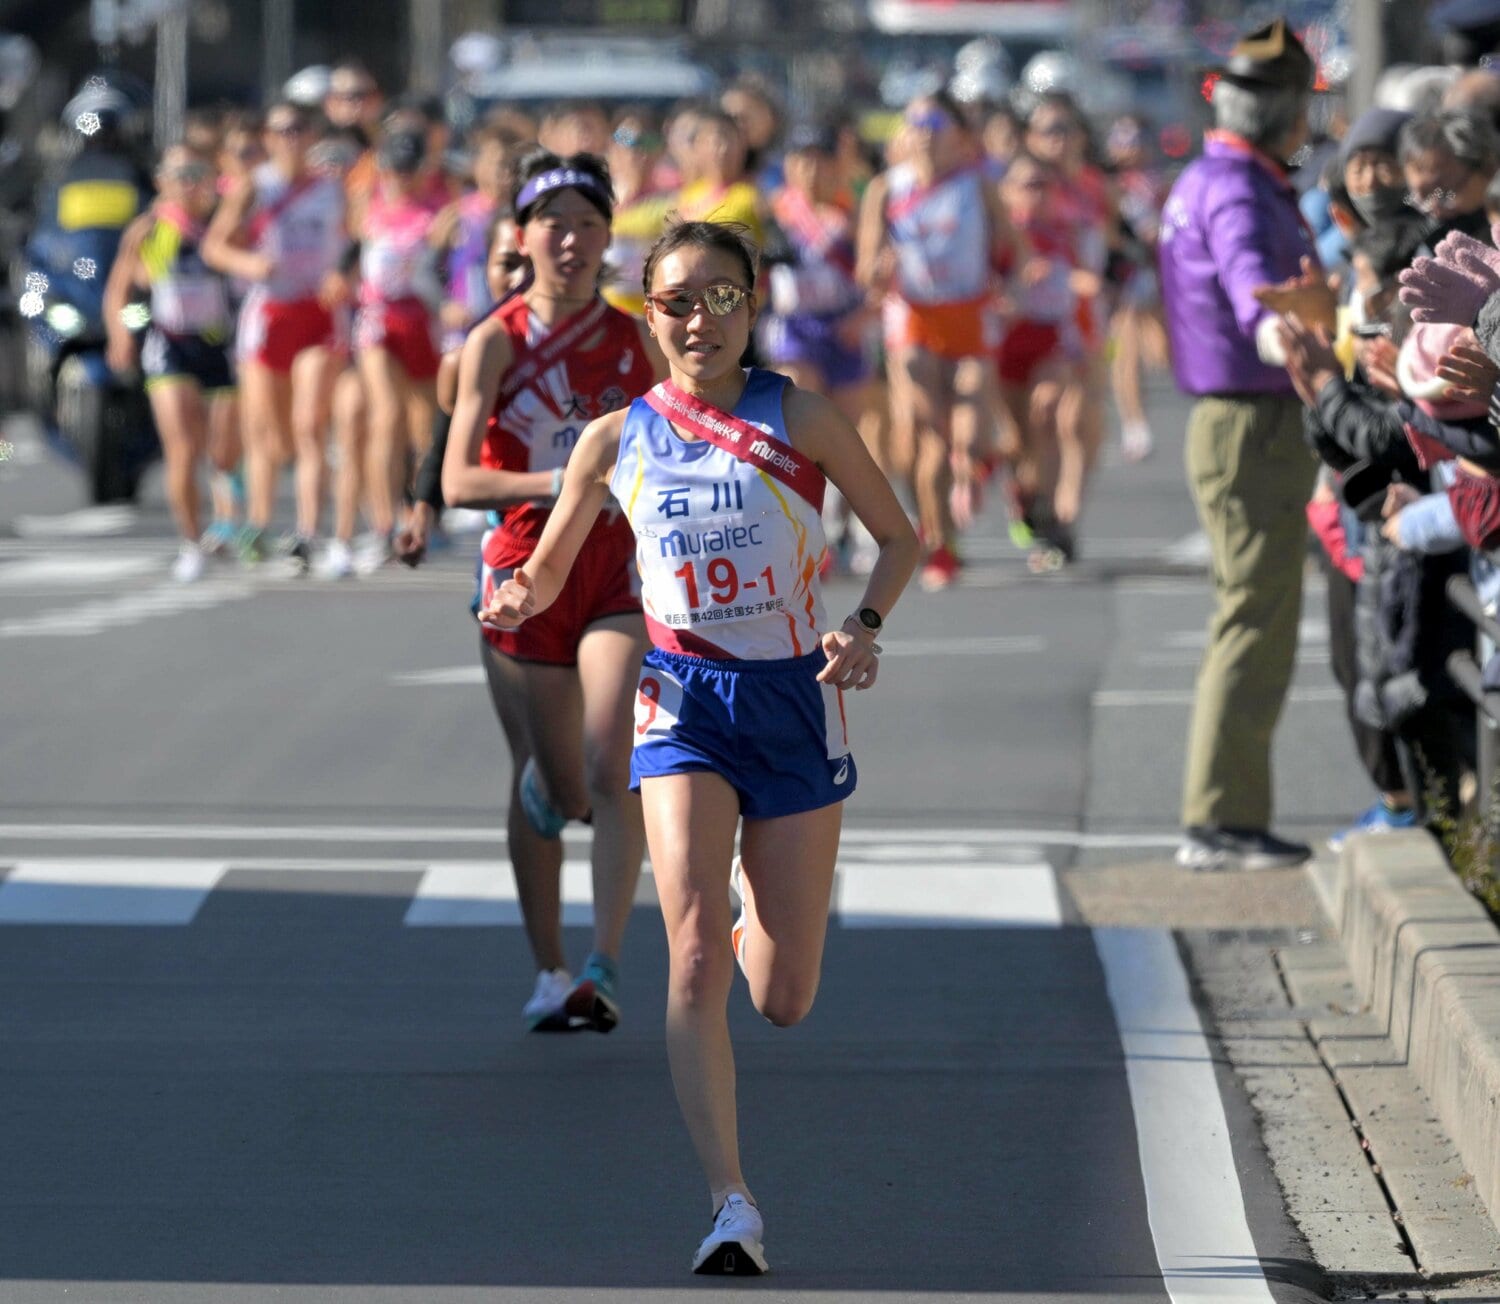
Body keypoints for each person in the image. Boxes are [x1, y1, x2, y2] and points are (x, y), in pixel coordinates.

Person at [479, 219, 919, 1275]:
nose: (699, 319)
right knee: (686, 954)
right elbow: (547, 570)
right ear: (649, 311)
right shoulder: (614, 438)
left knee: (783, 994)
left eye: (721, 296)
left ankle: (738, 882)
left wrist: (861, 628)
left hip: (793, 700)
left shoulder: (798, 412)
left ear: (751, 304)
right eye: (676, 299)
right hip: (679, 697)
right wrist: (516, 595)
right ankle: (732, 1200)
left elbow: (900, 537)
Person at [442, 150, 665, 1033]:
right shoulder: (496, 339)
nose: (569, 241)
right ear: (522, 235)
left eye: (587, 223)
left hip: (612, 566)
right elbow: (460, 478)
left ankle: (600, 967)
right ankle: (547, 965)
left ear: (610, 236)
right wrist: (562, 483)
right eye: (552, 223)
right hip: (523, 576)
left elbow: (677, 435)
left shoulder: (634, 337)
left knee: (615, 761)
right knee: (558, 782)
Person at [1156, 18, 1322, 871]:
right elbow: (1249, 276)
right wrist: (1276, 332)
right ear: (1285, 113)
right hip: (1251, 420)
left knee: (1252, 614)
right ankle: (1223, 818)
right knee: (1256, 617)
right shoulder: (1237, 189)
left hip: (1241, 420)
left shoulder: (1212, 177)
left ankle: (1227, 814)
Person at [857, 90, 1016, 590]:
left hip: (968, 315)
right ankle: (939, 542)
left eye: (935, 122)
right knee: (929, 436)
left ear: (959, 137)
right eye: (915, 121)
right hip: (913, 318)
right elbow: (865, 268)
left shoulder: (980, 187)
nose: (923, 132)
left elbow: (1011, 249)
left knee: (967, 435)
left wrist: (1009, 283)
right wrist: (879, 272)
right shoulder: (886, 188)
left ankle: (976, 464)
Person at [203, 100, 347, 567]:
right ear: (268, 137)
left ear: (312, 136)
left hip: (317, 315)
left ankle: (307, 531)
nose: (291, 138)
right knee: (267, 435)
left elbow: (358, 242)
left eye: (300, 129)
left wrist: (343, 276)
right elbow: (215, 247)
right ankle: (259, 525)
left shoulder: (332, 190)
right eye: (282, 129)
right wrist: (249, 264)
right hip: (268, 315)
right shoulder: (254, 188)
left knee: (309, 425)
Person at [103, 143, 236, 582]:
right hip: (170, 344)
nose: (190, 184)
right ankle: (191, 540)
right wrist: (121, 335)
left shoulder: (221, 223)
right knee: (181, 447)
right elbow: (119, 289)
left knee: (222, 449)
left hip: (218, 344)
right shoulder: (148, 229)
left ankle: (230, 523)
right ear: (162, 182)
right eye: (180, 175)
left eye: (198, 173)